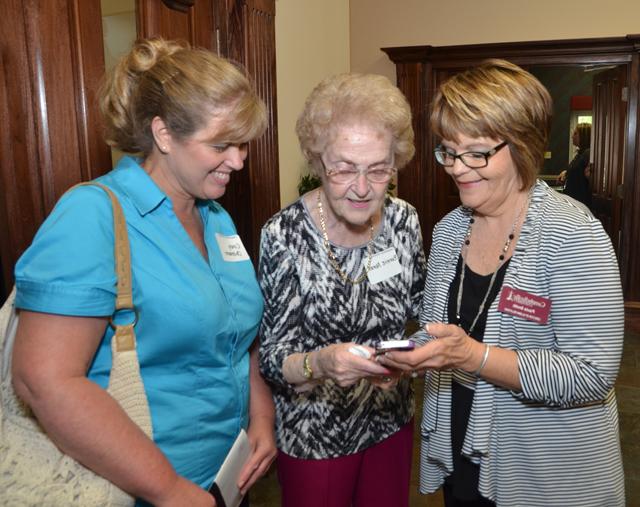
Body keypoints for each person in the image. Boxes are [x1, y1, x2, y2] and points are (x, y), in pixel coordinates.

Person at [11, 38, 276, 506]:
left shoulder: (215, 217)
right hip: (140, 490)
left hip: (226, 478)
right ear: (163, 134)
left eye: (243, 144)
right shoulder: (91, 214)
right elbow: (44, 381)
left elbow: (237, 338)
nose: (237, 161)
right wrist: (169, 489)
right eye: (221, 144)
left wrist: (261, 420)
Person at [380, 60, 625, 506]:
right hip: (462, 441)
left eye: (476, 152)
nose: (457, 168)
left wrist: (473, 356)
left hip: (546, 465)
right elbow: (447, 328)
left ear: (524, 146)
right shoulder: (452, 229)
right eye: (449, 151)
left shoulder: (572, 234)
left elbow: (592, 374)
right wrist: (408, 358)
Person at [257, 73, 427, 507]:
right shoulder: (284, 235)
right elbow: (273, 359)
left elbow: (423, 316)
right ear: (318, 161)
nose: (362, 187)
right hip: (314, 434)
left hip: (390, 421)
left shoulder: (404, 221)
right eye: (345, 168)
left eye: (378, 169)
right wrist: (321, 363)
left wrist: (410, 361)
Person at [558, 122, 592, 207]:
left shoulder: (588, 154)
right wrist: (566, 173)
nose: (572, 136)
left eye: (575, 133)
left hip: (581, 204)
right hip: (574, 202)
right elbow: (577, 170)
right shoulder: (580, 154)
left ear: (584, 135)